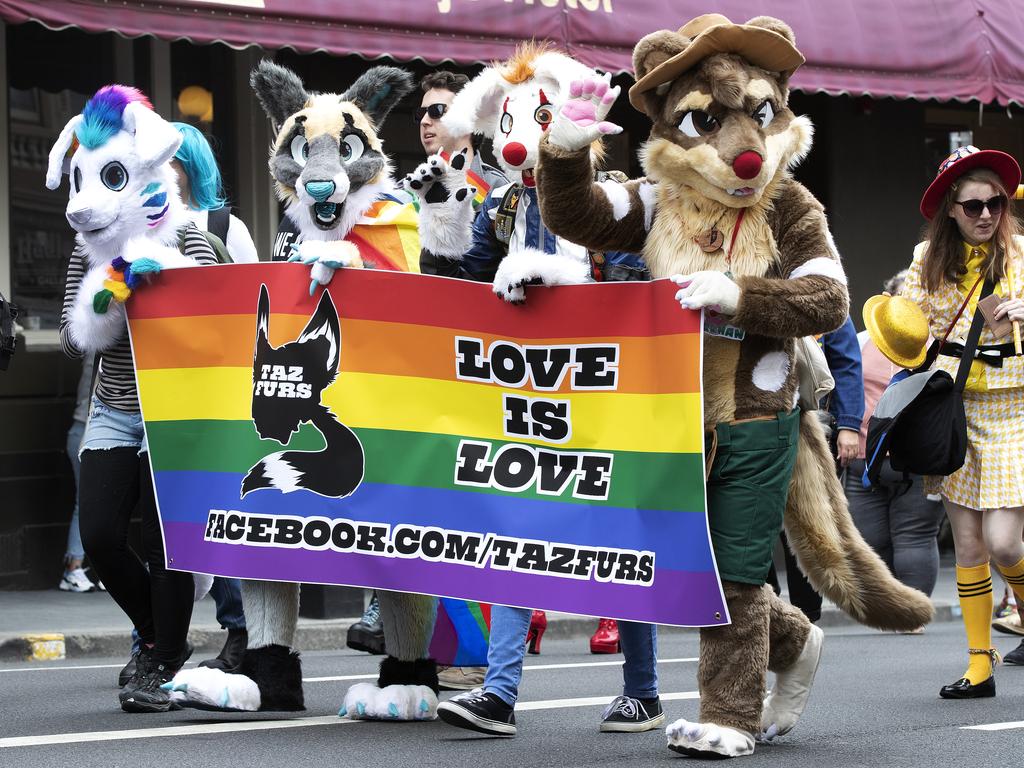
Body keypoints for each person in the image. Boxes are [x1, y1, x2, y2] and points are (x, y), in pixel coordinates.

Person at [902, 145, 1024, 698]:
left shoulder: (1021, 254)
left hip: (1014, 406)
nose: (984, 215)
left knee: (1003, 543)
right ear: (950, 208)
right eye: (972, 205)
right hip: (955, 411)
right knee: (969, 545)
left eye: (995, 204)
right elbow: (906, 336)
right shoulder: (925, 262)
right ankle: (980, 665)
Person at [169, 121, 251, 672]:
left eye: (168, 160)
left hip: (219, 393)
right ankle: (157, 637)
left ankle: (239, 630)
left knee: (215, 512)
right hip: (161, 396)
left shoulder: (225, 226)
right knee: (167, 521)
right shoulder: (137, 228)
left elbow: (254, 302)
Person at [851, 271, 945, 602]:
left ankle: (910, 609)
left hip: (900, 457)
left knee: (911, 535)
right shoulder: (940, 347)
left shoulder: (861, 342)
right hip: (869, 456)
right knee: (879, 537)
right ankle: (900, 608)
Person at [170, 122, 258, 264]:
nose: (159, 166)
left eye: (170, 158)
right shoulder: (143, 224)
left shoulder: (228, 225)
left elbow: (252, 282)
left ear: (192, 164)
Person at [59, 354, 98, 593]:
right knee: (84, 502)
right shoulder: (100, 349)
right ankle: (73, 567)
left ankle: (79, 567)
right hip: (86, 430)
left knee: (91, 503)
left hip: (85, 429)